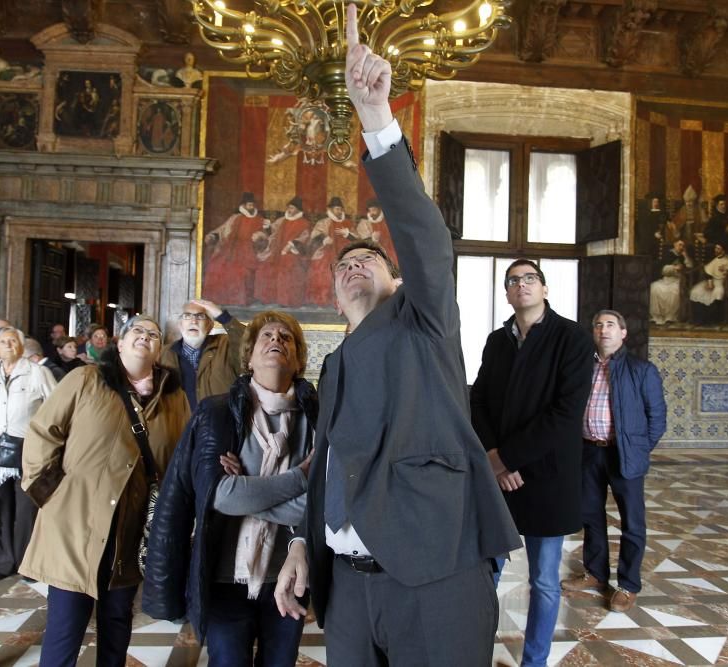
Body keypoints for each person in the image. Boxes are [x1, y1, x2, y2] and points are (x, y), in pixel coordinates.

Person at [273, 9, 520, 664]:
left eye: (370, 261)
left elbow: (427, 240)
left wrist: (376, 119)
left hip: (434, 574)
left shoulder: (425, 319)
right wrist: (302, 542)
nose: (354, 265)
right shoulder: (334, 364)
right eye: (342, 265)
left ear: (396, 280)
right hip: (348, 591)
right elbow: (329, 465)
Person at [143, 310, 316, 664]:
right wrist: (300, 478)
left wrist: (246, 490)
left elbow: (319, 505)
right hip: (225, 575)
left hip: (288, 572)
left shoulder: (317, 419)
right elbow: (219, 496)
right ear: (249, 357)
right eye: (267, 337)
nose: (276, 342)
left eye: (286, 338)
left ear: (298, 359)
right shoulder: (218, 414)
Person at [19, 316, 189, 665]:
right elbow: (43, 432)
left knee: (117, 623)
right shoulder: (86, 379)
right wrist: (50, 493)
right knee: (66, 626)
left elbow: (182, 459)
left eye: (153, 334)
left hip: (131, 529)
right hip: (75, 525)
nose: (145, 337)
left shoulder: (174, 399)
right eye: (137, 332)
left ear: (159, 349)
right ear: (120, 343)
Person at [470, 259, 594, 666]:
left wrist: (505, 458)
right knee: (485, 576)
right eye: (512, 281)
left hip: (547, 476)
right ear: (506, 292)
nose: (521, 285)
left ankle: (534, 661)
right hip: (498, 478)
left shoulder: (571, 338)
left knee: (543, 580)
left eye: (529, 278)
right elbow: (480, 402)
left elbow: (565, 413)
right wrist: (492, 457)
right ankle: (473, 654)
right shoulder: (496, 340)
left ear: (543, 288)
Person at [561, 310, 666, 614]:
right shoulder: (582, 368)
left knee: (632, 523)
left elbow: (657, 418)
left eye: (610, 325)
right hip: (588, 452)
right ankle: (595, 574)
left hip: (624, 453)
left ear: (623, 333)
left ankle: (628, 585)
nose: (603, 330)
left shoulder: (642, 370)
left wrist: (639, 449)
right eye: (598, 325)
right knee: (590, 516)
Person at [0, 326, 57, 582]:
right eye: (4, 342)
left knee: (26, 510)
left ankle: (27, 563)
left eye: (13, 341)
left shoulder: (37, 373)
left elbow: (56, 407)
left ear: (22, 347)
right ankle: (2, 562)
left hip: (28, 452)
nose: (9, 345)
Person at [159, 299, 246, 411]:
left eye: (200, 316)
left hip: (219, 425)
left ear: (210, 325)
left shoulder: (226, 345)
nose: (193, 321)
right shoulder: (164, 354)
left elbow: (250, 344)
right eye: (187, 316)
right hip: (178, 426)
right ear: (180, 324)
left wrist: (223, 317)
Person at [204, 192, 270, 305]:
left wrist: (261, 237)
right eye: (249, 205)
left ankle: (240, 300)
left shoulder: (260, 220)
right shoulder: (235, 218)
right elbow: (222, 229)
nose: (251, 207)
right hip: (230, 248)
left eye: (252, 205)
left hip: (249, 250)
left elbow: (266, 237)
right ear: (244, 206)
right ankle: (221, 298)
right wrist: (214, 236)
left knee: (240, 271)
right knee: (217, 266)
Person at [253, 197, 312, 306]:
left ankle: (286, 301)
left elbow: (305, 238)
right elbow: (272, 233)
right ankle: (267, 299)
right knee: (264, 268)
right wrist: (267, 227)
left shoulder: (304, 223)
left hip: (294, 253)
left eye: (292, 208)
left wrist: (290, 246)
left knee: (287, 267)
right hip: (276, 251)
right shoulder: (281, 221)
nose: (289, 210)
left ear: (298, 210)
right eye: (288, 207)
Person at [305, 196, 355, 306]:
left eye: (340, 209)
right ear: (331, 209)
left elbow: (357, 239)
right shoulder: (323, 222)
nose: (339, 211)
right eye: (337, 208)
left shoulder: (348, 223)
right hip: (325, 253)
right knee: (321, 272)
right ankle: (322, 301)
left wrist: (348, 234)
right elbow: (314, 236)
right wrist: (324, 239)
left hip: (344, 255)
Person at [649, 239, 693, 325]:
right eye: (679, 245)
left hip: (677, 280)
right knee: (654, 287)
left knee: (674, 291)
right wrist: (674, 268)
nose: (681, 247)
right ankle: (657, 316)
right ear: (674, 245)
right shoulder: (668, 254)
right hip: (666, 279)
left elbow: (690, 266)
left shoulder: (684, 255)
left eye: (683, 246)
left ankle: (670, 317)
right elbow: (663, 270)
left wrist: (685, 255)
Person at [689, 242, 728, 325]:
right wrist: (709, 282)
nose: (716, 250)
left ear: (723, 251)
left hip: (721, 283)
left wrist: (727, 270)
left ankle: (712, 320)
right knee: (696, 291)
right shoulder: (714, 260)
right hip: (711, 282)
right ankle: (699, 319)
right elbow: (708, 272)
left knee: (717, 294)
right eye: (716, 248)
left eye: (718, 249)